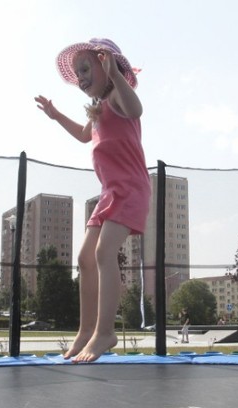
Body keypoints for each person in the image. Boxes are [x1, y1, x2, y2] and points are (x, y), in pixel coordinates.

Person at [35, 38, 150, 363]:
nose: (81, 77)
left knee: (103, 252)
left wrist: (115, 73)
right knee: (85, 258)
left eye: (85, 69)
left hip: (130, 187)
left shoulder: (118, 98)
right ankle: (86, 331)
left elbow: (136, 108)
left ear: (105, 64)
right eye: (77, 74)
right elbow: (86, 134)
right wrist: (57, 115)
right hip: (109, 192)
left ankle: (105, 332)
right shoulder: (100, 107)